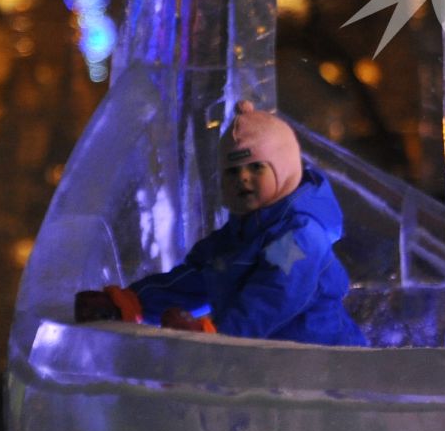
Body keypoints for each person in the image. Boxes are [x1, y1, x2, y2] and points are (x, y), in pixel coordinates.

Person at [75, 101, 364, 346]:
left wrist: (215, 336)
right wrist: (130, 303)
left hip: (324, 363)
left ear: (285, 170)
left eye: (256, 167)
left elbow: (273, 295)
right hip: (270, 367)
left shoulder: (298, 236)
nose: (243, 178)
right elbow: (193, 282)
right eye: (232, 171)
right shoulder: (237, 238)